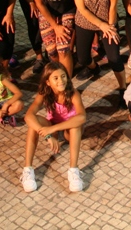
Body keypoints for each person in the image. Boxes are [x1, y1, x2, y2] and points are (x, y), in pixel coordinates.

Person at [71, 0, 126, 106]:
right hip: (85, 21)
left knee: (114, 57)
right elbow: (81, 9)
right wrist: (101, 25)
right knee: (82, 57)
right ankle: (94, 67)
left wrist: (111, 27)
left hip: (108, 21)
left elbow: (113, 6)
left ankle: (123, 88)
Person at [21, 63, 87, 192]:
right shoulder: (44, 93)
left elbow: (82, 117)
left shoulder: (73, 93)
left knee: (75, 125)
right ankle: (27, 170)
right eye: (55, 78)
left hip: (69, 131)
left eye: (63, 76)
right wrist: (48, 135)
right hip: (52, 128)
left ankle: (74, 170)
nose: (61, 81)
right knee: (33, 123)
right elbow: (28, 116)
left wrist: (52, 129)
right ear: (48, 82)